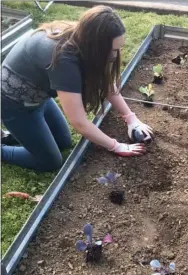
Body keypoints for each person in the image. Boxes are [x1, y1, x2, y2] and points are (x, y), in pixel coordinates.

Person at [1, 5, 153, 172]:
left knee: (63, 141)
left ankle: (11, 137)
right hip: (14, 105)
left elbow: (107, 83)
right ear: (97, 46)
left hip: (39, 97)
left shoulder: (84, 35)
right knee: (49, 162)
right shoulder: (63, 59)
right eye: (113, 50)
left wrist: (131, 119)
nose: (115, 55)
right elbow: (79, 123)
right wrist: (116, 146)